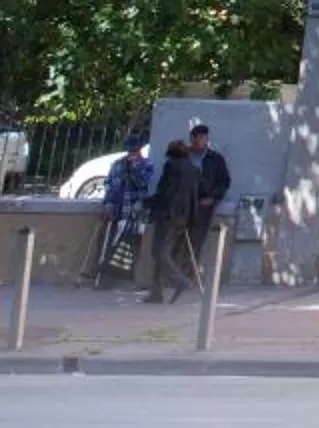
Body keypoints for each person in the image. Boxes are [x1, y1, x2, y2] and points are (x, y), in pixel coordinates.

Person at [88, 132, 153, 288]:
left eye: (135, 151)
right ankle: (102, 277)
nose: (132, 154)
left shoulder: (147, 165)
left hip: (134, 214)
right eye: (130, 151)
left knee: (129, 247)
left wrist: (134, 170)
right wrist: (108, 203)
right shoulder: (117, 165)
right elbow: (110, 185)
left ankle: (126, 279)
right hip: (116, 210)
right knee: (107, 242)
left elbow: (143, 186)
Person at [144, 136, 202, 303]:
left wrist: (147, 202)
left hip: (168, 215)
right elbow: (194, 195)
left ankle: (180, 281)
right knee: (164, 253)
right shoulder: (193, 169)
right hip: (184, 217)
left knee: (158, 252)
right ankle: (156, 292)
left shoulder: (171, 167)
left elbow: (165, 192)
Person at [186, 121, 231, 269]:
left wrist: (213, 198)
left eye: (204, 138)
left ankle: (189, 273)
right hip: (182, 205)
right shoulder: (184, 156)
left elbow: (224, 182)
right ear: (192, 139)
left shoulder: (215, 159)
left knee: (196, 240)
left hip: (202, 206)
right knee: (177, 240)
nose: (202, 141)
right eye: (199, 138)